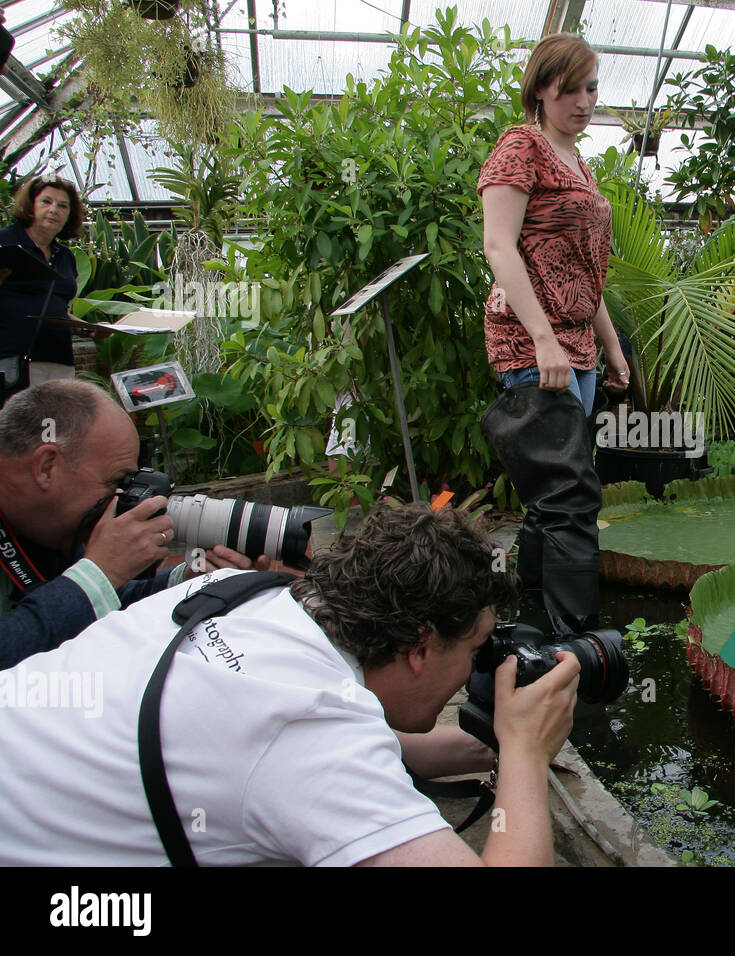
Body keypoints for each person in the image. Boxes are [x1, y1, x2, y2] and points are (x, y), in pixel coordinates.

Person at [0, 504, 580, 866]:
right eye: (474, 649)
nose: (473, 668)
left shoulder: (240, 593)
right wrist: (526, 757)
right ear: (420, 646)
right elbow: (305, 751)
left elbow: (282, 748)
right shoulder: (307, 734)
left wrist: (494, 742)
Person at [478, 33, 630, 635]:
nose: (584, 101)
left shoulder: (579, 164)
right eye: (571, 88)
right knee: (569, 498)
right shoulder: (522, 147)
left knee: (551, 498)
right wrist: (543, 339)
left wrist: (611, 347)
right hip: (533, 344)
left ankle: (532, 625)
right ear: (541, 88)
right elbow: (498, 246)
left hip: (580, 346)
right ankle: (579, 646)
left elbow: (583, 272)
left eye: (591, 88)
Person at [0, 380, 264, 669]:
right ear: (47, 467)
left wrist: (188, 580)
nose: (124, 499)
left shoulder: (46, 526)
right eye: (116, 481)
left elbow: (102, 599)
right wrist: (100, 571)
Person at [0, 174, 84, 395]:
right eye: (46, 201)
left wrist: (87, 328)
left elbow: (54, 308)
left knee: (52, 425)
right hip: (11, 357)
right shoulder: (5, 242)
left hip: (56, 359)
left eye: (63, 206)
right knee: (13, 426)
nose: (54, 209)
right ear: (31, 205)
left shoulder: (65, 256)